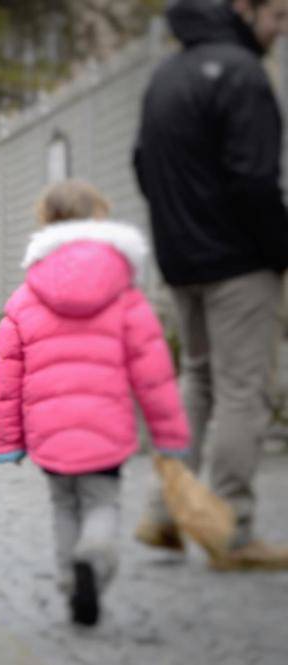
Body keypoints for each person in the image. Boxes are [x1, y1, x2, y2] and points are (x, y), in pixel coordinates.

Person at [0, 180, 189, 626]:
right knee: (102, 503)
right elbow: (153, 372)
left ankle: (68, 579)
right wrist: (170, 434)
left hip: (49, 429)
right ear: (99, 217)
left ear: (46, 221)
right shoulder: (125, 295)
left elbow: (6, 378)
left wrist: (8, 441)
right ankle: (94, 557)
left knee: (64, 505)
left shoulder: (24, 299)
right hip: (107, 425)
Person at [133, 0, 288, 569]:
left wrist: (180, 236)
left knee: (196, 381)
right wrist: (280, 250)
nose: (282, 28)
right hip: (240, 263)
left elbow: (143, 166)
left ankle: (164, 512)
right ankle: (232, 532)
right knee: (244, 389)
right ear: (244, 9)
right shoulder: (244, 74)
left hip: (182, 262)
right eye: (277, 16)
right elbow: (255, 179)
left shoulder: (166, 75)